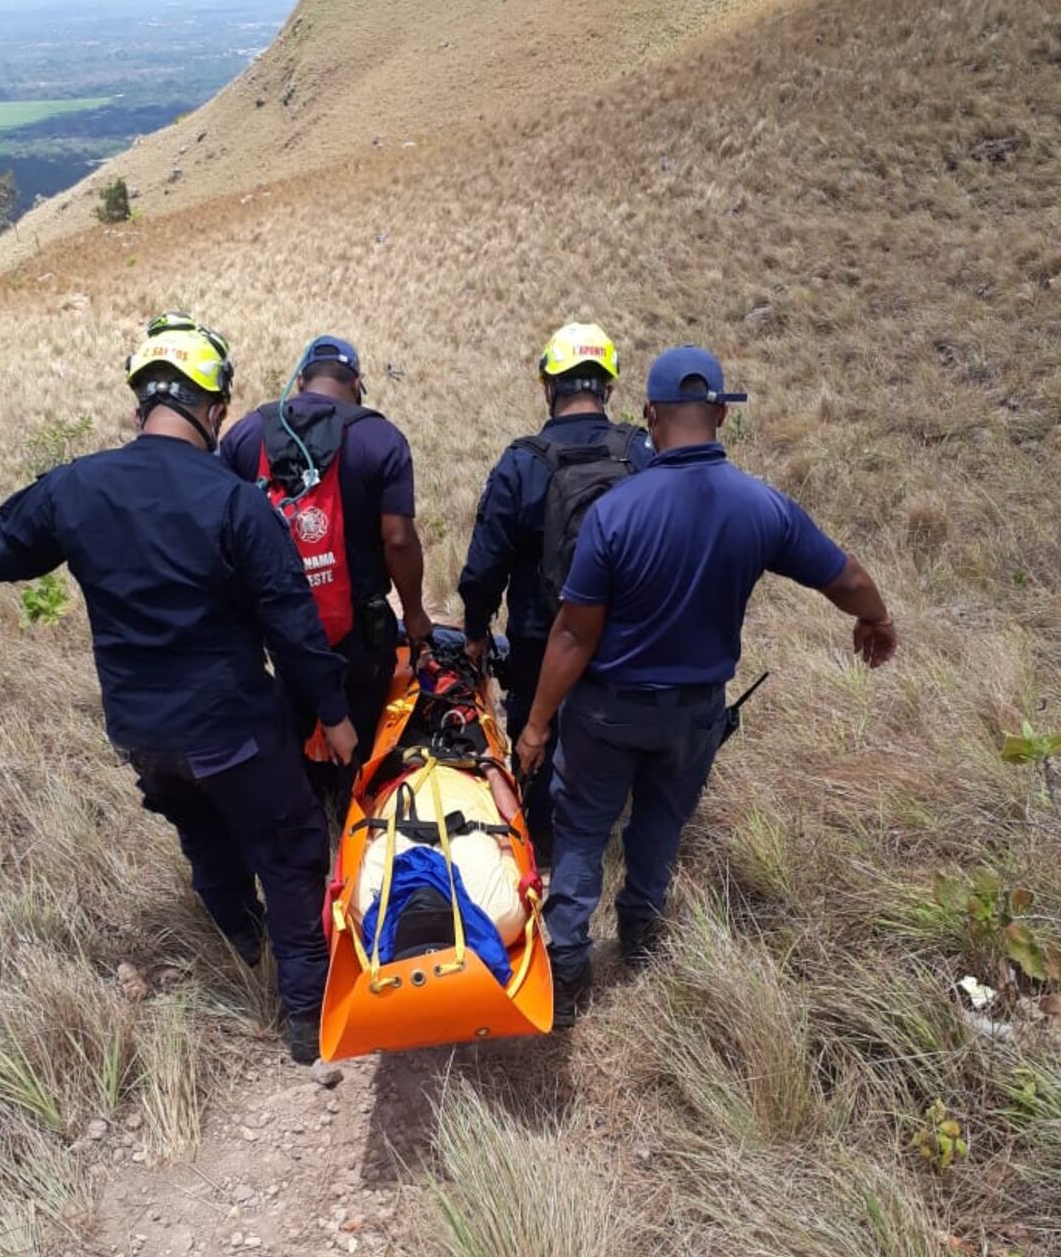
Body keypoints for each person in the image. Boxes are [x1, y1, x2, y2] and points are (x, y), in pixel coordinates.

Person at [0, 314, 355, 1065]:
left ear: (142, 404)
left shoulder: (76, 487)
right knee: (292, 848)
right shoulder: (237, 502)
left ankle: (242, 942)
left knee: (204, 835)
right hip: (233, 727)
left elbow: (0, 545)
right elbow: (292, 629)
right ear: (214, 411)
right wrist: (334, 716)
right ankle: (306, 1020)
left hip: (142, 733)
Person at [515, 345, 897, 1024]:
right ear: (721, 414)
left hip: (606, 713)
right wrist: (876, 620)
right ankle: (640, 937)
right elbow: (846, 576)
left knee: (579, 834)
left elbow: (574, 636)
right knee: (661, 824)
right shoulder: (763, 508)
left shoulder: (616, 513)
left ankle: (568, 968)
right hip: (694, 715)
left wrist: (539, 723)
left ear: (651, 417)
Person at [458, 322, 652, 863]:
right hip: (625, 638)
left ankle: (542, 852)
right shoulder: (640, 453)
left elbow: (484, 567)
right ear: (607, 387)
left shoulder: (522, 462)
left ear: (549, 386)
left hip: (540, 641)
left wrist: (476, 632)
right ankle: (605, 839)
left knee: (535, 741)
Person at [220, 335, 431, 805]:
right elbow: (398, 539)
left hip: (276, 627)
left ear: (301, 381)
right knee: (359, 719)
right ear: (356, 383)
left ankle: (302, 804)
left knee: (290, 716)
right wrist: (414, 613)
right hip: (359, 627)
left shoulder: (244, 435)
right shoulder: (381, 438)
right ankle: (352, 810)